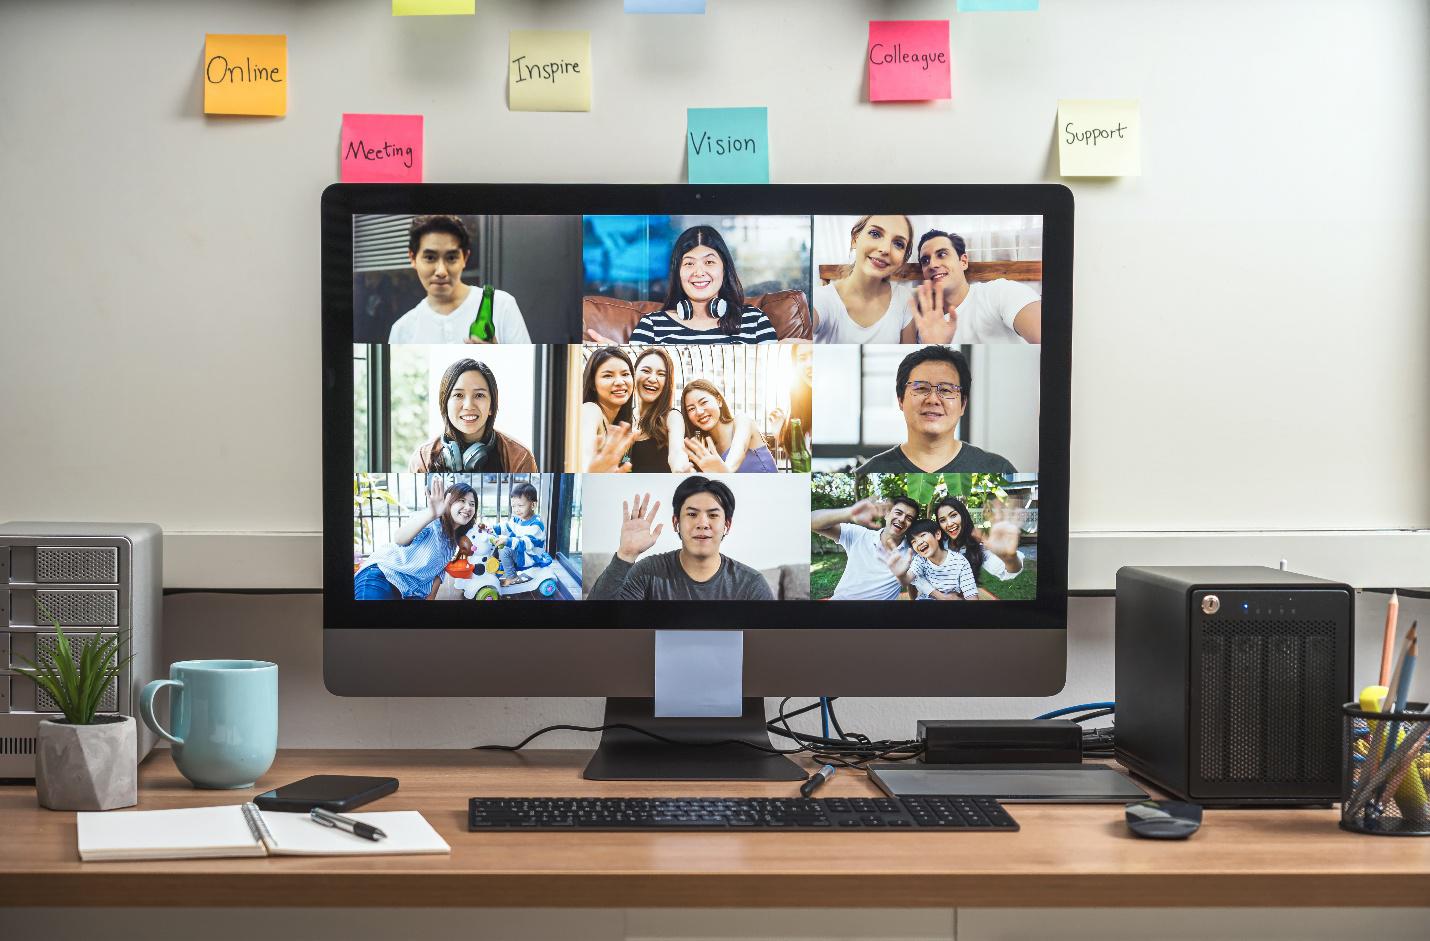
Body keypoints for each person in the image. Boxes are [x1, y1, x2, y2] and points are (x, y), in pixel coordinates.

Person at [586, 478, 775, 601]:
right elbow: (597, 620)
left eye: (713, 515)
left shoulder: (751, 584)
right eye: (692, 514)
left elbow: (768, 641)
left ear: (727, 525)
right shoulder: (648, 572)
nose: (702, 524)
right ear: (676, 523)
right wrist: (625, 555)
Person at [855, 346, 1016, 475]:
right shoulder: (867, 473)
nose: (933, 399)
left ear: (963, 404)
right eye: (921, 388)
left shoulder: (999, 470)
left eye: (946, 390)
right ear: (900, 400)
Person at [387, 215, 532, 345]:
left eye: (451, 258)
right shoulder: (401, 330)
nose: (441, 271)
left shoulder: (502, 306)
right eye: (430, 257)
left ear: (465, 258)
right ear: (413, 258)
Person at [620, 226, 778, 345]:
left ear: (724, 269)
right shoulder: (652, 326)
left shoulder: (755, 321)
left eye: (709, 262)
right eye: (689, 263)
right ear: (678, 273)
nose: (699, 272)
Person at [355, 478, 476, 600]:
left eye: (472, 504)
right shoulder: (431, 521)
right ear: (448, 502)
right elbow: (399, 538)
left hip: (409, 591)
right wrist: (431, 515)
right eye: (462, 501)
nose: (468, 507)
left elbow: (437, 575)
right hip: (383, 575)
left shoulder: (452, 543)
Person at [408, 358, 537, 472]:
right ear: (445, 404)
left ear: (491, 406)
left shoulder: (520, 457)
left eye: (479, 395)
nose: (469, 406)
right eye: (458, 395)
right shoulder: (423, 458)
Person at [915, 229, 1041, 344]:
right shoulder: (925, 327)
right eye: (925, 261)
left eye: (942, 254)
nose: (932, 265)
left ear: (963, 262)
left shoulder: (999, 292)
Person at [811, 214, 919, 344]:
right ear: (855, 239)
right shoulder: (821, 298)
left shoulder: (904, 298)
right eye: (875, 234)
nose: (885, 249)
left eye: (898, 244)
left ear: (903, 259)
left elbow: (908, 353)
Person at [810, 495, 920, 601]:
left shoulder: (912, 553)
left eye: (909, 518)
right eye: (898, 513)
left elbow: (912, 582)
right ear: (887, 514)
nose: (902, 519)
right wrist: (849, 513)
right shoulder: (858, 534)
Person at [932, 495, 1026, 593]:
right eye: (942, 520)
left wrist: (1009, 558)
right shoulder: (938, 544)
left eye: (953, 515)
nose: (949, 523)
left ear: (964, 516)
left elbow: (1008, 569)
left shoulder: (975, 546)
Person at [680, 379, 777, 473]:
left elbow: (736, 456)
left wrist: (723, 471)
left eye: (704, 402)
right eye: (691, 409)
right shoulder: (706, 448)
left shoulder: (742, 421)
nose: (699, 412)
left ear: (719, 401)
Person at [882, 519, 979, 601]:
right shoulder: (920, 560)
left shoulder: (960, 561)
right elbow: (907, 580)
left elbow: (971, 595)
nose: (919, 542)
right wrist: (900, 575)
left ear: (937, 534)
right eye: (914, 541)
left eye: (922, 535)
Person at [579, 346, 638, 473]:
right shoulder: (591, 409)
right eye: (608, 376)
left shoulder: (622, 426)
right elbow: (585, 451)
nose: (619, 382)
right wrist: (588, 467)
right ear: (593, 384)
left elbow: (626, 461)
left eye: (625, 374)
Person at [627, 347, 686, 473]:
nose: (653, 379)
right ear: (634, 373)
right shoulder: (624, 416)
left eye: (661, 374)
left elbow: (677, 452)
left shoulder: (672, 416)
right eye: (646, 371)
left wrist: (680, 468)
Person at [490, 481, 550, 586]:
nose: (516, 510)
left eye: (520, 506)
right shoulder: (517, 519)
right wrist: (491, 529)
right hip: (522, 552)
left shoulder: (536, 525)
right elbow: (506, 527)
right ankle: (496, 568)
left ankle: (512, 577)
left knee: (505, 550)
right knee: (495, 544)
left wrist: (507, 541)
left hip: (530, 556)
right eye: (513, 506)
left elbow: (524, 543)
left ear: (533, 505)